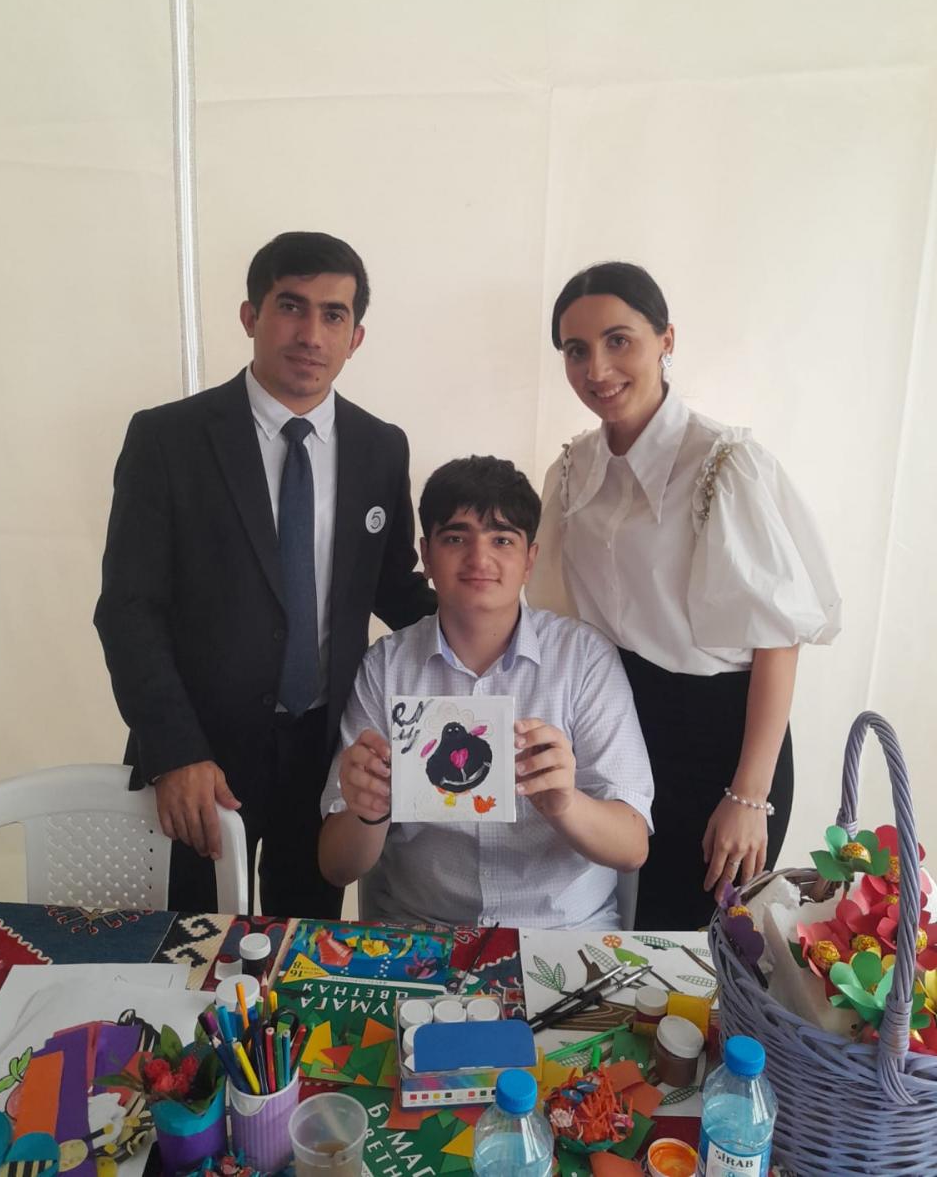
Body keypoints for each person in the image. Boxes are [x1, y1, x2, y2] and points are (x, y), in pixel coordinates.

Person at [94, 231, 435, 916]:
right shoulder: (168, 439)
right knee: (192, 942)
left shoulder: (380, 447)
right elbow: (129, 609)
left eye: (333, 315)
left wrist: (503, 637)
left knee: (305, 944)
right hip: (201, 757)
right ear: (251, 316)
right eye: (291, 306)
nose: (311, 333)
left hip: (326, 749)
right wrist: (175, 751)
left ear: (356, 337)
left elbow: (393, 587)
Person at [527, 262, 840, 930]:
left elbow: (776, 639)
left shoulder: (724, 465)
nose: (597, 368)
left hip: (719, 740)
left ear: (666, 339)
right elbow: (553, 614)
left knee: (692, 945)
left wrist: (748, 796)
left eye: (619, 341)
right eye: (576, 350)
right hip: (614, 728)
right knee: (611, 930)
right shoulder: (574, 469)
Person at [318, 455, 653, 929]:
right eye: (456, 538)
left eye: (502, 540)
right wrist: (366, 811)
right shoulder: (386, 666)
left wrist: (566, 804)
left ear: (529, 560)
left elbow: (632, 846)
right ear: (427, 556)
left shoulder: (584, 660)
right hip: (422, 930)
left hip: (563, 932)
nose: (479, 559)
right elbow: (336, 867)